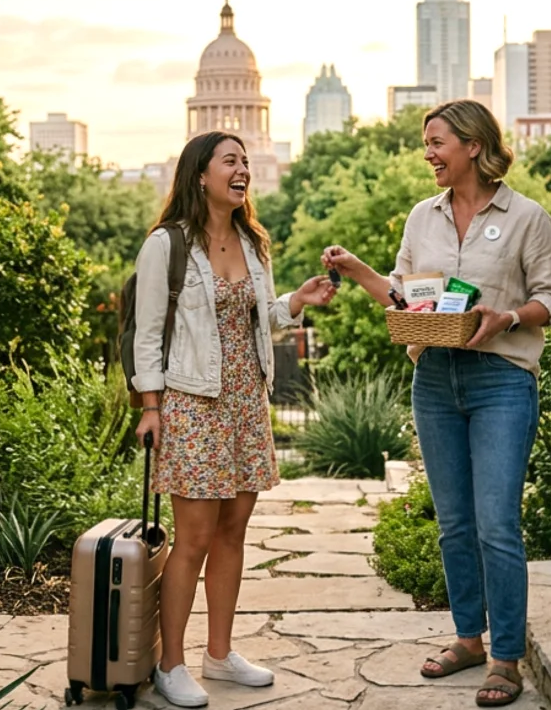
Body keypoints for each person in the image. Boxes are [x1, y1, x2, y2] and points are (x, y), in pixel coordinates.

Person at [321, 100, 551, 708]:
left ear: (474, 146)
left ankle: (506, 657)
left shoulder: (526, 218)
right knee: (454, 523)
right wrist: (356, 271)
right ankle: (468, 639)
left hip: (501, 380)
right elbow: (407, 294)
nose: (428, 153)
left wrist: (507, 315)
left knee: (497, 525)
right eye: (426, 143)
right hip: (434, 378)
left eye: (437, 143)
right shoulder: (421, 217)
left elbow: (550, 300)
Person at [132, 131, 335, 708]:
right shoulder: (166, 246)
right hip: (193, 404)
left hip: (247, 401)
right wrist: (151, 407)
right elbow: (148, 336)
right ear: (201, 175)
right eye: (230, 161)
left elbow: (259, 317)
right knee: (192, 539)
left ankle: (218, 654)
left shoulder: (253, 242)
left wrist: (297, 301)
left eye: (245, 161)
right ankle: (171, 664)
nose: (242, 169)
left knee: (232, 533)